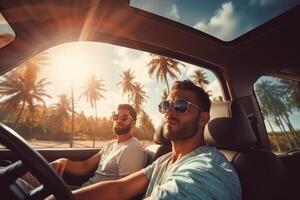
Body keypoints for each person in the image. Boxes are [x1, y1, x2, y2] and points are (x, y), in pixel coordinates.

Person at [55, 79, 241, 200]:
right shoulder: (165, 160)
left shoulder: (208, 170)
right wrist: (65, 197)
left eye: (181, 106)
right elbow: (120, 188)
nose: (169, 111)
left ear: (203, 118)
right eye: (166, 105)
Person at [22, 104, 146, 190]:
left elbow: (123, 190)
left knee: (14, 185)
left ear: (133, 123)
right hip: (78, 190)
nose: (119, 120)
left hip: (83, 196)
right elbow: (85, 166)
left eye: (124, 118)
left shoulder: (133, 149)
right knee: (19, 177)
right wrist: (64, 161)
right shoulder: (111, 144)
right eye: (116, 117)